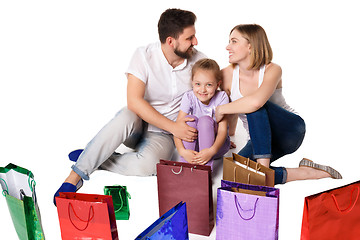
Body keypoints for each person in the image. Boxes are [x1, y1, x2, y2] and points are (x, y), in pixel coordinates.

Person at [53, 8, 207, 205]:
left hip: (164, 135)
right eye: (190, 38)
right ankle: (75, 176)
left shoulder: (200, 61)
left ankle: (95, 155)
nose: (195, 42)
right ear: (171, 41)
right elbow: (134, 101)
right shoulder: (144, 56)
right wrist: (174, 126)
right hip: (138, 124)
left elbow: (216, 90)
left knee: (149, 166)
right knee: (127, 114)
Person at [216, 24, 342, 185]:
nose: (228, 47)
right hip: (259, 138)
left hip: (289, 131)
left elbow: (255, 103)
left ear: (250, 46)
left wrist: (221, 109)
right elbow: (234, 107)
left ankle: (262, 169)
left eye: (234, 41)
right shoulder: (226, 75)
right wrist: (229, 135)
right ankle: (304, 172)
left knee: (254, 105)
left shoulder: (272, 69)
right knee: (233, 173)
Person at [174, 58, 230, 169]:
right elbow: (177, 128)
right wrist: (182, 151)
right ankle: (185, 166)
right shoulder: (189, 96)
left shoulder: (222, 97)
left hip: (215, 147)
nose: (203, 90)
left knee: (205, 121)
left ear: (217, 84)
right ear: (192, 83)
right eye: (198, 84)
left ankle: (205, 171)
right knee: (189, 120)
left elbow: (222, 130)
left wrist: (211, 151)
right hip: (196, 147)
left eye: (209, 85)